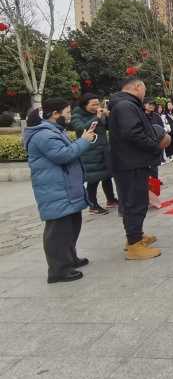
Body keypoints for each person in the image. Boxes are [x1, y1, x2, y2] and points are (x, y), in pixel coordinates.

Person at [23, 98, 97, 283]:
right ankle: (58, 270)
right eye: (67, 112)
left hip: (65, 187)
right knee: (58, 231)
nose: (69, 116)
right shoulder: (43, 135)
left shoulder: (54, 130)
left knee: (71, 226)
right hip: (55, 190)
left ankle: (70, 259)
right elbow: (63, 155)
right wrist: (84, 141)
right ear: (55, 114)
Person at [109, 77, 169, 260]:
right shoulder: (125, 106)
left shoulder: (125, 105)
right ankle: (134, 245)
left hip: (132, 162)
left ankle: (136, 236)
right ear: (136, 87)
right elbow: (133, 133)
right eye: (144, 89)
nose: (145, 94)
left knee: (136, 201)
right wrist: (155, 145)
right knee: (134, 203)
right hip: (130, 163)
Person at [70, 93, 117, 215]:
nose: (97, 106)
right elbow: (81, 129)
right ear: (85, 105)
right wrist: (97, 117)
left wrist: (108, 117)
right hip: (89, 151)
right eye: (93, 104)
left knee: (107, 176)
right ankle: (93, 205)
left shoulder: (97, 113)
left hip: (103, 149)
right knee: (93, 179)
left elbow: (108, 127)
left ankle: (111, 200)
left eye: (98, 103)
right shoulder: (77, 115)